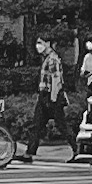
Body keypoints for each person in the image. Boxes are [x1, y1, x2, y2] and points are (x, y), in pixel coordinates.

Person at [19, 35, 70, 163]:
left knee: (62, 125)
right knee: (36, 125)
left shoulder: (52, 59)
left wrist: (53, 98)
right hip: (44, 96)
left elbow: (56, 80)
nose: (38, 46)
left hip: (52, 96)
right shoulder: (46, 58)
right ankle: (29, 152)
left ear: (48, 43)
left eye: (40, 43)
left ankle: (77, 149)